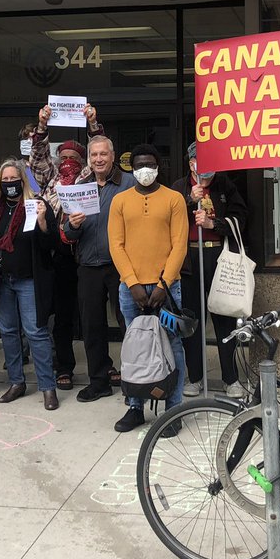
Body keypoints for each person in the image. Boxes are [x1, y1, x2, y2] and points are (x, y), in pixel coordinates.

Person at [108, 144, 189, 433]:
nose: (145, 170)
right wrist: (132, 283)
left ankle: (174, 408)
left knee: (173, 345)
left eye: (150, 165)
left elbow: (179, 244)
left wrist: (164, 283)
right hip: (130, 290)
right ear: (131, 167)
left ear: (158, 167)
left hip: (167, 288)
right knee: (136, 349)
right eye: (140, 164)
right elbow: (116, 245)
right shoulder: (120, 201)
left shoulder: (174, 199)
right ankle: (135, 407)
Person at [30, 102, 104, 390]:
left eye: (74, 157)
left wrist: (93, 124)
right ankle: (65, 366)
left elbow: (100, 153)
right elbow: (37, 157)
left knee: (91, 315)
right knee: (61, 317)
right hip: (58, 257)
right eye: (64, 156)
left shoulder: (88, 179)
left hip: (87, 252)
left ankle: (102, 366)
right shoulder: (49, 180)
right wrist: (42, 126)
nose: (68, 161)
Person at [0, 159, 60, 410]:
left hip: (29, 280)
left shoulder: (38, 205)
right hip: (2, 281)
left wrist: (44, 222)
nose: (10, 183)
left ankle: (47, 387)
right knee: (9, 333)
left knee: (36, 332)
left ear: (23, 181)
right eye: (6, 180)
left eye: (15, 179)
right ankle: (16, 382)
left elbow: (51, 244)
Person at [60, 134, 136, 402]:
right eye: (94, 155)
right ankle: (99, 381)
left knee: (129, 324)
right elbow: (68, 232)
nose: (99, 159)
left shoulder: (130, 184)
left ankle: (133, 382)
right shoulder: (80, 186)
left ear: (113, 156)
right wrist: (74, 225)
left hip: (122, 265)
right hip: (89, 266)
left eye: (103, 154)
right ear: (89, 159)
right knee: (92, 327)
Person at [171, 141, 248, 398]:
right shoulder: (179, 187)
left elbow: (242, 217)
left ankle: (231, 378)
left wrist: (215, 223)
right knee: (192, 320)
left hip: (218, 255)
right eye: (198, 162)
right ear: (189, 162)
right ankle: (194, 377)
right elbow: (166, 219)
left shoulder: (225, 185)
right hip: (189, 259)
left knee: (224, 318)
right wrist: (187, 201)